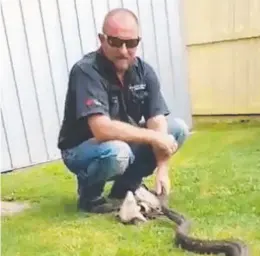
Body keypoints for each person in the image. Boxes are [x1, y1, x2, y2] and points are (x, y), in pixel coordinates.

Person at [57, 7, 189, 213]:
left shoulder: (144, 72)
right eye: (116, 42)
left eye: (132, 43)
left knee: (177, 129)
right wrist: (153, 138)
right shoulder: (86, 71)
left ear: (138, 40)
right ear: (102, 39)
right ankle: (90, 196)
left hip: (122, 142)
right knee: (119, 152)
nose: (124, 50)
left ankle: (125, 187)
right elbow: (102, 129)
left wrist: (163, 168)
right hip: (81, 149)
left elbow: (157, 119)